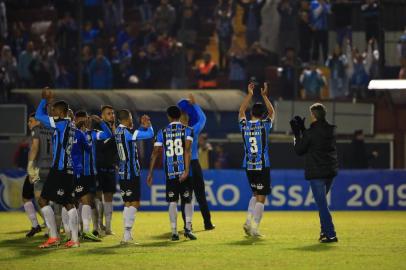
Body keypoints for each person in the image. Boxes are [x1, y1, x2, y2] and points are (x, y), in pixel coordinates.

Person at [35, 88, 84, 248]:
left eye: (54, 110)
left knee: (43, 200)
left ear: (61, 112)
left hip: (59, 169)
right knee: (68, 203)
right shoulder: (70, 125)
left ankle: (54, 237)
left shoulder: (61, 124)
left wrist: (44, 100)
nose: (52, 112)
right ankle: (74, 240)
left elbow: (38, 116)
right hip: (68, 169)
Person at [290, 103, 338, 243]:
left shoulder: (310, 133)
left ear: (314, 115)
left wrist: (297, 134)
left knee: (322, 205)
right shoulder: (332, 130)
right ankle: (324, 232)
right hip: (330, 171)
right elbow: (317, 139)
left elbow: (299, 150)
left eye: (311, 114)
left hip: (317, 173)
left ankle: (331, 234)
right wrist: (304, 130)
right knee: (322, 204)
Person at [147, 106, 197, 241]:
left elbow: (155, 153)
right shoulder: (188, 130)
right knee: (188, 200)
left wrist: (150, 173)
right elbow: (187, 151)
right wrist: (186, 171)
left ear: (168, 117)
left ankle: (174, 231)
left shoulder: (161, 132)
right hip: (184, 172)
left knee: (173, 202)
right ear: (180, 115)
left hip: (170, 173)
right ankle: (188, 228)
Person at [239, 82, 275, 237]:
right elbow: (272, 111)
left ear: (251, 112)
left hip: (249, 165)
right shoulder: (265, 125)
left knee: (254, 194)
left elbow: (241, 110)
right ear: (262, 114)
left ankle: (248, 221)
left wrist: (250, 95)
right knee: (261, 198)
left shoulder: (244, 125)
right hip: (262, 164)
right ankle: (255, 228)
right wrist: (265, 96)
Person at [114, 110, 154, 244]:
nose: (132, 121)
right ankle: (126, 235)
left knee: (127, 203)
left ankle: (127, 235)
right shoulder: (129, 133)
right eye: (131, 118)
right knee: (135, 203)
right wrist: (148, 124)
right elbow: (150, 134)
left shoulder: (117, 132)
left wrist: (141, 127)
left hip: (122, 173)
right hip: (132, 173)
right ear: (127, 119)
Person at [73, 111, 113, 241]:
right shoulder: (74, 133)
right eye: (82, 119)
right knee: (77, 202)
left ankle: (96, 228)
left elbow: (109, 134)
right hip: (77, 173)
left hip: (92, 173)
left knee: (93, 201)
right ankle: (77, 229)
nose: (85, 121)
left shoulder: (94, 134)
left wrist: (101, 122)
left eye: (87, 119)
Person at [178, 94, 215, 231]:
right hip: (193, 164)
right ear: (187, 120)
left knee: (185, 197)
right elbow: (203, 118)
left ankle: (187, 225)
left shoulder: (172, 132)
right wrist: (194, 104)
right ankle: (208, 224)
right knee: (200, 196)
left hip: (180, 166)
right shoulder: (192, 130)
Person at [23, 113, 53, 237]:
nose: (28, 123)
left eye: (31, 121)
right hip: (53, 167)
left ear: (38, 121)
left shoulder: (37, 130)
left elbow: (34, 148)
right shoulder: (52, 129)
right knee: (52, 199)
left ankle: (49, 226)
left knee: (38, 199)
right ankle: (51, 226)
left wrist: (30, 166)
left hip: (38, 169)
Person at [96, 105, 117, 235]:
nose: (112, 116)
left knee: (108, 197)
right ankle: (98, 225)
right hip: (98, 168)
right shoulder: (98, 130)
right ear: (102, 116)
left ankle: (108, 227)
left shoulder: (115, 130)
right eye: (109, 113)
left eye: (112, 113)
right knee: (97, 197)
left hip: (110, 168)